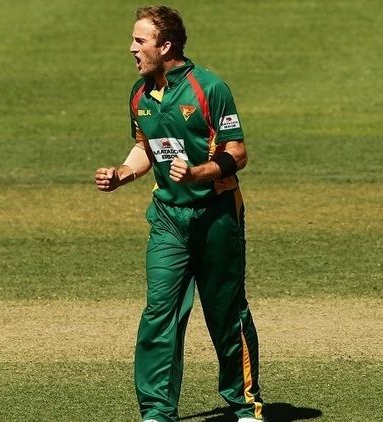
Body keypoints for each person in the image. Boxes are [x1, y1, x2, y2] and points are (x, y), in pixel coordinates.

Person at [94, 6, 265, 422]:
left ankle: (245, 405)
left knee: (225, 311)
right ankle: (156, 411)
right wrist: (122, 174)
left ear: (165, 45)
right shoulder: (139, 93)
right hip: (168, 217)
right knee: (160, 311)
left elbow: (237, 154)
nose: (131, 48)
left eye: (140, 41)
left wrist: (197, 173)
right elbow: (145, 148)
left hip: (216, 215)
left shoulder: (209, 87)